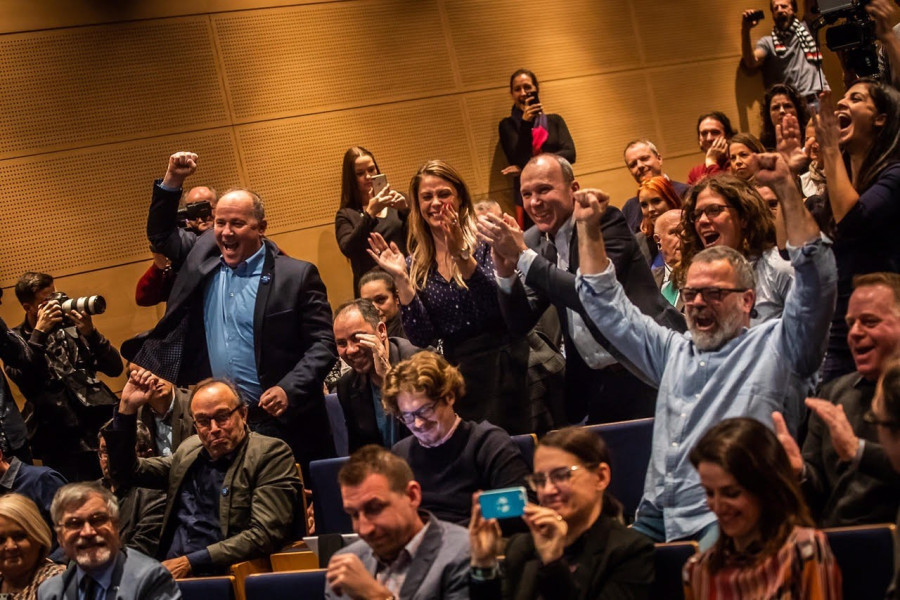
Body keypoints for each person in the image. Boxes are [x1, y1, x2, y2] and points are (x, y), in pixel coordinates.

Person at [572, 152, 836, 544]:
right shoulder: (673, 350)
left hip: (729, 517)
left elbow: (816, 279)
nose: (696, 303)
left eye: (713, 293)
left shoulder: (781, 345)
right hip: (656, 513)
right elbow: (607, 308)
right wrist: (588, 229)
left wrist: (785, 188)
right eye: (692, 293)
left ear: (748, 301)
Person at [124, 151, 338, 470]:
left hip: (286, 420)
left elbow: (323, 346)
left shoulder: (296, 275)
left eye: (237, 223)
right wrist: (173, 180)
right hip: (224, 425)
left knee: (305, 511)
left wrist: (288, 388)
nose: (226, 232)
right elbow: (160, 235)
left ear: (261, 227)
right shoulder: (201, 256)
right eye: (221, 223)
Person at [481, 153, 685, 425]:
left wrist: (521, 256)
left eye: (544, 189)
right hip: (595, 384)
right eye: (526, 194)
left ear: (573, 189)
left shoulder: (602, 222)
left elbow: (591, 295)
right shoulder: (535, 242)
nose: (534, 202)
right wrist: (505, 273)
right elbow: (520, 322)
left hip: (647, 368)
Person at [367, 160, 531, 434]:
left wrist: (461, 256)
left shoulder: (484, 241)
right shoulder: (416, 263)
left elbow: (497, 307)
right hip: (460, 377)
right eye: (427, 197)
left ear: (460, 199)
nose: (436, 203)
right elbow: (423, 337)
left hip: (507, 366)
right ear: (418, 205)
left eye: (444, 194)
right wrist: (401, 280)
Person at [103, 372, 303, 578]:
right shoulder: (190, 450)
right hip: (170, 570)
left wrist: (191, 562)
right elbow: (127, 473)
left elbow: (264, 535)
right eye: (203, 421)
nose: (214, 429)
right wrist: (126, 410)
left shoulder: (269, 453)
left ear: (243, 414)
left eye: (222, 417)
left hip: (222, 572)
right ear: (195, 425)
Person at [773, 272, 900, 527]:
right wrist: (799, 473)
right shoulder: (834, 394)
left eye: (869, 322)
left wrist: (858, 452)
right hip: (837, 543)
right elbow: (816, 490)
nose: (854, 333)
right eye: (851, 323)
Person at [468, 426, 655, 599]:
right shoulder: (521, 547)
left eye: (562, 476)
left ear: (600, 477)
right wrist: (483, 566)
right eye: (540, 479)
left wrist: (553, 563)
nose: (548, 490)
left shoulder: (630, 551)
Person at [683, 418, 842, 599]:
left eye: (732, 493)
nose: (718, 507)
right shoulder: (697, 569)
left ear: (763, 488)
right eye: (710, 493)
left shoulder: (804, 550)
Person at [813, 78, 900, 382]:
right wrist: (786, 177)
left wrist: (830, 150)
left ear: (880, 119)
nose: (841, 102)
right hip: (842, 329)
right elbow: (789, 244)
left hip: (885, 330)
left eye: (856, 98)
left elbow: (854, 221)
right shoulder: (843, 186)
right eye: (843, 96)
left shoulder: (896, 174)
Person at [382, 352, 531, 528]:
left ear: (449, 396)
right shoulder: (401, 454)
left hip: (478, 543)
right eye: (407, 416)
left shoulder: (488, 443)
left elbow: (520, 513)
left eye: (425, 410)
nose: (418, 423)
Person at [6, 272, 123, 483]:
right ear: (28, 307)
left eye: (55, 295)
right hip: (59, 440)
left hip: (97, 427)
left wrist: (91, 333)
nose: (55, 303)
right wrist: (39, 333)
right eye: (46, 300)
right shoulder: (15, 342)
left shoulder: (70, 328)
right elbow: (28, 383)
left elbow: (115, 368)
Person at [324, 445, 469, 600]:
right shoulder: (346, 563)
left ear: (412, 496)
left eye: (375, 508)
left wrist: (377, 596)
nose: (364, 529)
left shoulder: (463, 554)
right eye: (354, 515)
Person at [678, 174, 794, 324]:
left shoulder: (779, 267)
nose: (703, 220)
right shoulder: (699, 279)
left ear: (743, 217)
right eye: (697, 214)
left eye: (714, 210)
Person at [39, 483, 181, 600]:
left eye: (98, 520)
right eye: (75, 523)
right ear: (60, 537)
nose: (88, 532)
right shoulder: (51, 592)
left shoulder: (150, 579)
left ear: (116, 526)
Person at [332, 299, 419, 452]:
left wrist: (388, 378)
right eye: (342, 343)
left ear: (381, 331)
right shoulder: (347, 386)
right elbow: (360, 453)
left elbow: (427, 427)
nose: (350, 350)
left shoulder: (419, 362)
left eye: (357, 338)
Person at [499, 69, 576, 228]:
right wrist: (526, 123)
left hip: (559, 187)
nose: (523, 93)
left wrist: (528, 167)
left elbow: (570, 153)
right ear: (511, 94)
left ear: (536, 89)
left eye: (527, 87)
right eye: (517, 89)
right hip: (529, 196)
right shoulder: (508, 125)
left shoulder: (555, 120)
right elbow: (518, 158)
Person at [334, 146, 408, 294]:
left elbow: (418, 239)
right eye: (360, 173)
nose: (368, 177)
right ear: (351, 179)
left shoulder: (399, 201)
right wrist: (370, 213)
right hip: (372, 289)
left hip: (405, 280)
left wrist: (406, 211)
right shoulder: (346, 214)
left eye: (371, 170)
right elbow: (348, 249)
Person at [136, 185, 217, 307]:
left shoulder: (234, 242)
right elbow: (143, 298)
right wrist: (159, 267)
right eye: (195, 209)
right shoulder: (181, 246)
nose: (202, 216)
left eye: (206, 207)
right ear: (186, 215)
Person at [97, 423, 165, 557]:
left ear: (146, 455)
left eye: (119, 452)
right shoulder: (91, 491)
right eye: (105, 451)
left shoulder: (155, 495)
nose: (110, 458)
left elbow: (141, 550)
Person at [740, 1, 829, 98]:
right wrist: (745, 29)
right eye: (775, 8)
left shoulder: (808, 27)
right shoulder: (768, 43)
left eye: (783, 6)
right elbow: (751, 62)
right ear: (772, 14)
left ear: (794, 10)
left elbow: (811, 5)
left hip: (820, 97)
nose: (779, 10)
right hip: (794, 105)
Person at [0, 494, 63, 600]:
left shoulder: (58, 584)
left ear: (38, 537)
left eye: (19, 537)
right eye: (0, 540)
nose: (10, 547)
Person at [621, 139, 690, 233]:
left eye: (644, 158)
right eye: (633, 165)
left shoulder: (687, 193)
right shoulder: (629, 207)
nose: (640, 165)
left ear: (659, 159)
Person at [636, 175, 683, 268]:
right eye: (644, 205)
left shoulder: (689, 232)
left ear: (670, 200)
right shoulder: (639, 242)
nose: (650, 209)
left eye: (656, 201)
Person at [687, 111, 734, 184]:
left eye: (715, 132)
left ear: (727, 136)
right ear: (699, 139)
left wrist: (711, 162)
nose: (709, 138)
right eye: (704, 133)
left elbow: (721, 192)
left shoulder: (736, 165)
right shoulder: (695, 172)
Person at [760, 83, 810, 150]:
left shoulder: (810, 138)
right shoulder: (763, 146)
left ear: (797, 110)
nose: (782, 111)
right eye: (776, 108)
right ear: (768, 114)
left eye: (787, 106)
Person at [358, 269, 405, 339]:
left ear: (397, 298)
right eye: (367, 302)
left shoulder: (411, 330)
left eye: (380, 300)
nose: (374, 308)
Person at [652, 209, 684, 310]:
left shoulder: (704, 279)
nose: (684, 236)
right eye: (675, 232)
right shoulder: (646, 281)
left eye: (688, 230)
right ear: (658, 241)